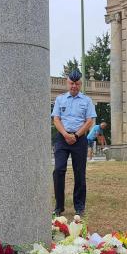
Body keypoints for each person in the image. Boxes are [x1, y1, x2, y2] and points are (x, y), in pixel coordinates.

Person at [51, 70, 96, 216]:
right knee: (58, 170)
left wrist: (76, 135)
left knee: (79, 173)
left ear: (81, 84)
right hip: (62, 138)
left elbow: (89, 121)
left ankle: (79, 207)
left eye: (77, 83)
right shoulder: (60, 99)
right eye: (71, 83)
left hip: (79, 138)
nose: (74, 86)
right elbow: (56, 119)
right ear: (67, 82)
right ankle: (59, 207)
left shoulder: (87, 101)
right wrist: (65, 134)